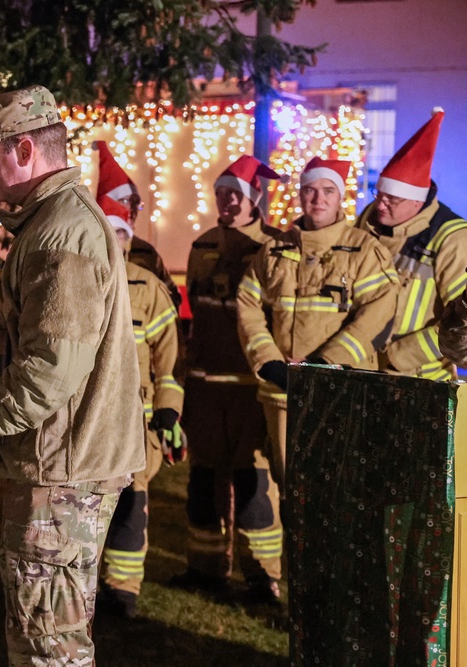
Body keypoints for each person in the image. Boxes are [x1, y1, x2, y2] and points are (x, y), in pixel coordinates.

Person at [0, 85, 144, 665]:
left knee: (47, 642)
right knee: (44, 631)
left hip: (62, 474)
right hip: (61, 465)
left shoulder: (58, 234)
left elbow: (50, 369)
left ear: (22, 150)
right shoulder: (55, 224)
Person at [237, 157, 398, 490]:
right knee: (291, 489)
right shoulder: (274, 250)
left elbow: (377, 312)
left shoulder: (364, 251)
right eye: (309, 190)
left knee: (340, 489)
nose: (318, 199)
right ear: (300, 196)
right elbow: (248, 305)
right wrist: (268, 363)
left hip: (341, 390)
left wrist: (326, 363)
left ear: (341, 198)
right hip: (282, 393)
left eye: (328, 191)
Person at [174, 156, 286, 602]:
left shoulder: (275, 248)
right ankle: (205, 567)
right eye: (222, 192)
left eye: (237, 193)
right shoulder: (201, 246)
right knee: (203, 481)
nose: (229, 200)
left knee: (254, 483)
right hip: (205, 386)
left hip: (250, 387)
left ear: (254, 199)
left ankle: (262, 577)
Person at [96, 195, 184, 619]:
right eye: (106, 230)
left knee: (132, 506)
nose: (113, 240)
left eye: (120, 233)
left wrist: (169, 409)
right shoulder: (77, 280)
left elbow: (169, 357)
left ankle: (122, 590)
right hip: (87, 422)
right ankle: (82, 586)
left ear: (129, 239)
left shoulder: (149, 289)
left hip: (135, 422)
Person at [355, 109, 467, 382]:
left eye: (391, 199)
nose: (380, 205)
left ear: (417, 201)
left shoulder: (452, 238)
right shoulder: (369, 219)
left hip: (420, 380)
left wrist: (401, 354)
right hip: (361, 369)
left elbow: (462, 321)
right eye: (378, 194)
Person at [94, 139, 180, 307]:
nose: (133, 211)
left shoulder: (146, 253)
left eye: (137, 204)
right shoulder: (89, 247)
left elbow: (171, 299)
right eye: (127, 202)